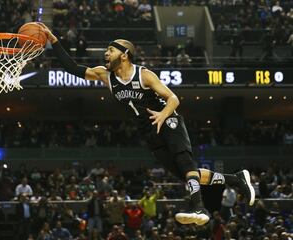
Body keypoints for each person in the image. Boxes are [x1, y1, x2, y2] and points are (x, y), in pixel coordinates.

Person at [38, 22, 255, 225]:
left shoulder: (144, 74)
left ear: (124, 55)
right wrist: (53, 40)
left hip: (167, 119)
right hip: (148, 130)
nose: (106, 53)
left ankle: (199, 209)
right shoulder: (105, 76)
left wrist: (163, 115)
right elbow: (73, 68)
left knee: (185, 163)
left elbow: (173, 99)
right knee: (186, 174)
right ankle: (235, 179)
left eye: (110, 50)